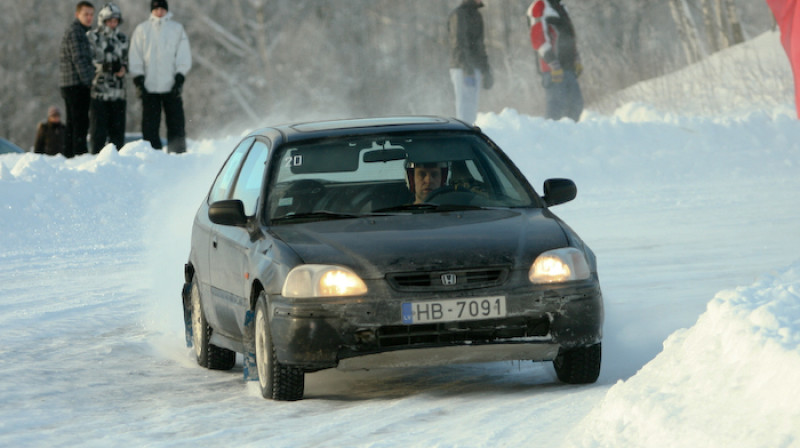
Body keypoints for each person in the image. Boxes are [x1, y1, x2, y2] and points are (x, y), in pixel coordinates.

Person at [129, 0, 192, 154]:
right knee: (150, 126)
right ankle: (152, 154)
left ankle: (178, 154)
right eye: (156, 8)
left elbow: (184, 54)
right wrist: (138, 79)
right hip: (149, 87)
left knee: (176, 124)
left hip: (171, 86)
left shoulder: (176, 29)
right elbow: (135, 55)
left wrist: (179, 77)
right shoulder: (142, 29)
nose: (159, 12)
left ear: (166, 10)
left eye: (162, 8)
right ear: (152, 10)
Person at [527, 0, 584, 121]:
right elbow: (538, 39)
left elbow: (569, 35)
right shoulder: (540, 6)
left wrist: (576, 58)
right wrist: (553, 63)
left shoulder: (561, 7)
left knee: (576, 106)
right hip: (553, 69)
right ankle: (550, 137)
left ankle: (570, 137)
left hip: (569, 67)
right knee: (556, 110)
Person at [87, 3, 128, 154]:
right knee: (99, 132)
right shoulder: (93, 37)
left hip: (118, 94)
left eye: (115, 21)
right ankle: (96, 162)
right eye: (110, 21)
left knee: (117, 134)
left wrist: (123, 68)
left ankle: (117, 163)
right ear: (102, 21)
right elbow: (88, 61)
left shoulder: (123, 38)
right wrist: (109, 67)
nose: (113, 24)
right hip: (99, 92)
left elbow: (129, 60)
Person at [448, 0, 493, 125]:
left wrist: (486, 70)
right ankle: (462, 133)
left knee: (472, 106)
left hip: (475, 67)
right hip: (462, 68)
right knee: (464, 106)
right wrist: (467, 69)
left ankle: (470, 133)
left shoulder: (476, 15)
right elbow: (459, 43)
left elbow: (480, 45)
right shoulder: (459, 15)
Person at [59, 1, 96, 158]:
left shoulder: (81, 32)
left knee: (73, 122)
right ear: (77, 14)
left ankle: (70, 153)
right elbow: (79, 59)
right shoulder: (76, 32)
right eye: (85, 14)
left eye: (91, 14)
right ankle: (78, 154)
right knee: (79, 122)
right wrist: (89, 82)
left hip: (70, 83)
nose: (89, 18)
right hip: (76, 84)